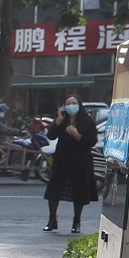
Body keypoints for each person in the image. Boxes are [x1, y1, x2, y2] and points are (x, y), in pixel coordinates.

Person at [44, 95, 99, 233]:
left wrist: (77, 135)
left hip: (80, 162)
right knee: (53, 192)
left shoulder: (87, 121)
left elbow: (92, 141)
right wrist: (58, 120)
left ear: (79, 105)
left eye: (74, 103)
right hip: (62, 161)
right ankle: (52, 219)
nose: (71, 106)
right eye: (68, 104)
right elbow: (51, 136)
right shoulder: (61, 121)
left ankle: (77, 221)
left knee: (79, 193)